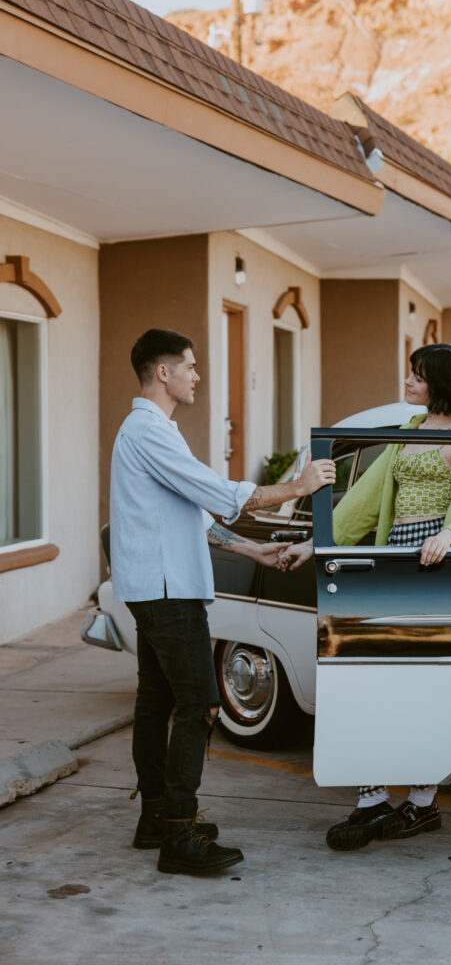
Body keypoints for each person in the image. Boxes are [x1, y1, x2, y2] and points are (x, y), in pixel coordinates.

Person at [110, 328, 335, 876]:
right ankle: (180, 835)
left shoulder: (150, 430)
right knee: (202, 704)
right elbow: (218, 492)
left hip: (155, 586)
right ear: (162, 373)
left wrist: (252, 548)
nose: (196, 374)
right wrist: (299, 487)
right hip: (168, 591)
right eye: (189, 366)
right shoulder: (149, 432)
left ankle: (157, 818)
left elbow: (192, 514)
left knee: (157, 702)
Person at [281, 343, 451, 851]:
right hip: (389, 563)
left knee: (425, 688)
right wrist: (314, 544)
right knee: (369, 681)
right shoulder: (408, 433)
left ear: (440, 381)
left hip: (434, 569)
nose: (408, 382)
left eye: (417, 376)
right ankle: (371, 798)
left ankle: (422, 799)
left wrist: (450, 536)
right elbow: (363, 502)